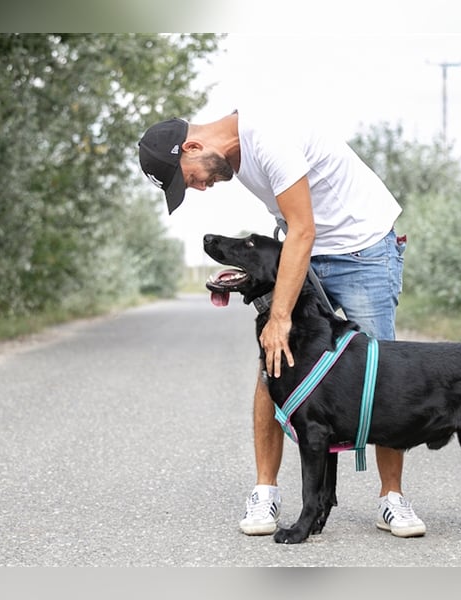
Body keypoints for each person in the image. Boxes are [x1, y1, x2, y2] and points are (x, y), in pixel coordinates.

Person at [138, 109, 425, 538]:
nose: (198, 187)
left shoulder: (268, 138)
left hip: (362, 251)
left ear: (193, 147)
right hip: (302, 253)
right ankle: (265, 492)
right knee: (272, 368)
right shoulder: (234, 156)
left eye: (188, 179)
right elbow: (298, 233)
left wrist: (280, 316)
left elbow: (303, 230)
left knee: (380, 375)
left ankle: (392, 498)